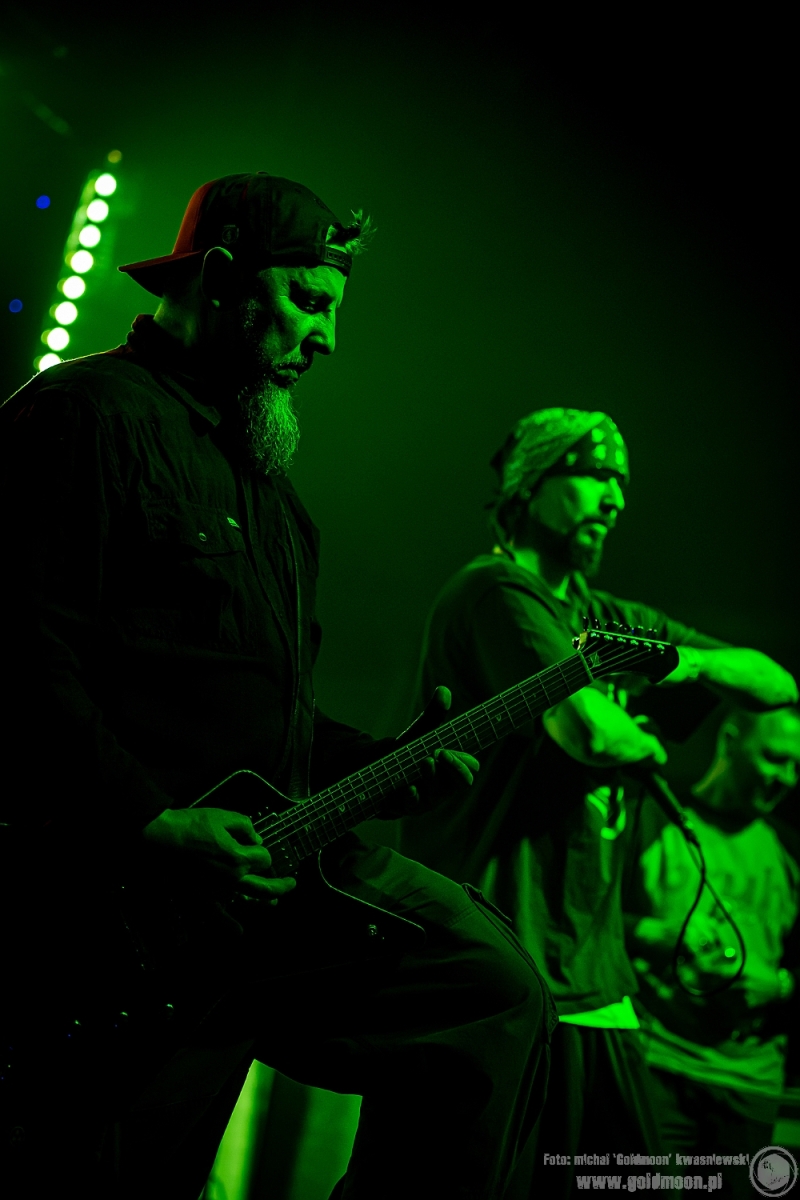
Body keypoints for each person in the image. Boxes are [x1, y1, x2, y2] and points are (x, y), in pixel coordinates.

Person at [0, 174, 556, 1200]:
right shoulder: (82, 414)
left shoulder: (273, 494)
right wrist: (149, 822)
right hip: (112, 916)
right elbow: (16, 653)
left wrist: (381, 761)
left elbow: (269, 724)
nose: (328, 340)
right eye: (307, 302)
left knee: (485, 989)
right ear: (220, 278)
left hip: (252, 899)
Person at [398, 407, 797, 1196]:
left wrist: (675, 663)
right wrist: (644, 735)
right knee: (449, 1182)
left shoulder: (608, 620)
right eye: (592, 475)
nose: (613, 498)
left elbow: (774, 683)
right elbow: (589, 732)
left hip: (591, 979)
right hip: (494, 956)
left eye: (621, 482)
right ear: (530, 486)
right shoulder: (494, 591)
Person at [624, 705, 800, 1199]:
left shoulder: (790, 849)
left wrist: (781, 985)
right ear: (729, 739)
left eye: (796, 766)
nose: (786, 778)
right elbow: (585, 922)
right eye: (775, 758)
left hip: (750, 1082)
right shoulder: (649, 816)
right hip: (659, 1064)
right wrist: (658, 933)